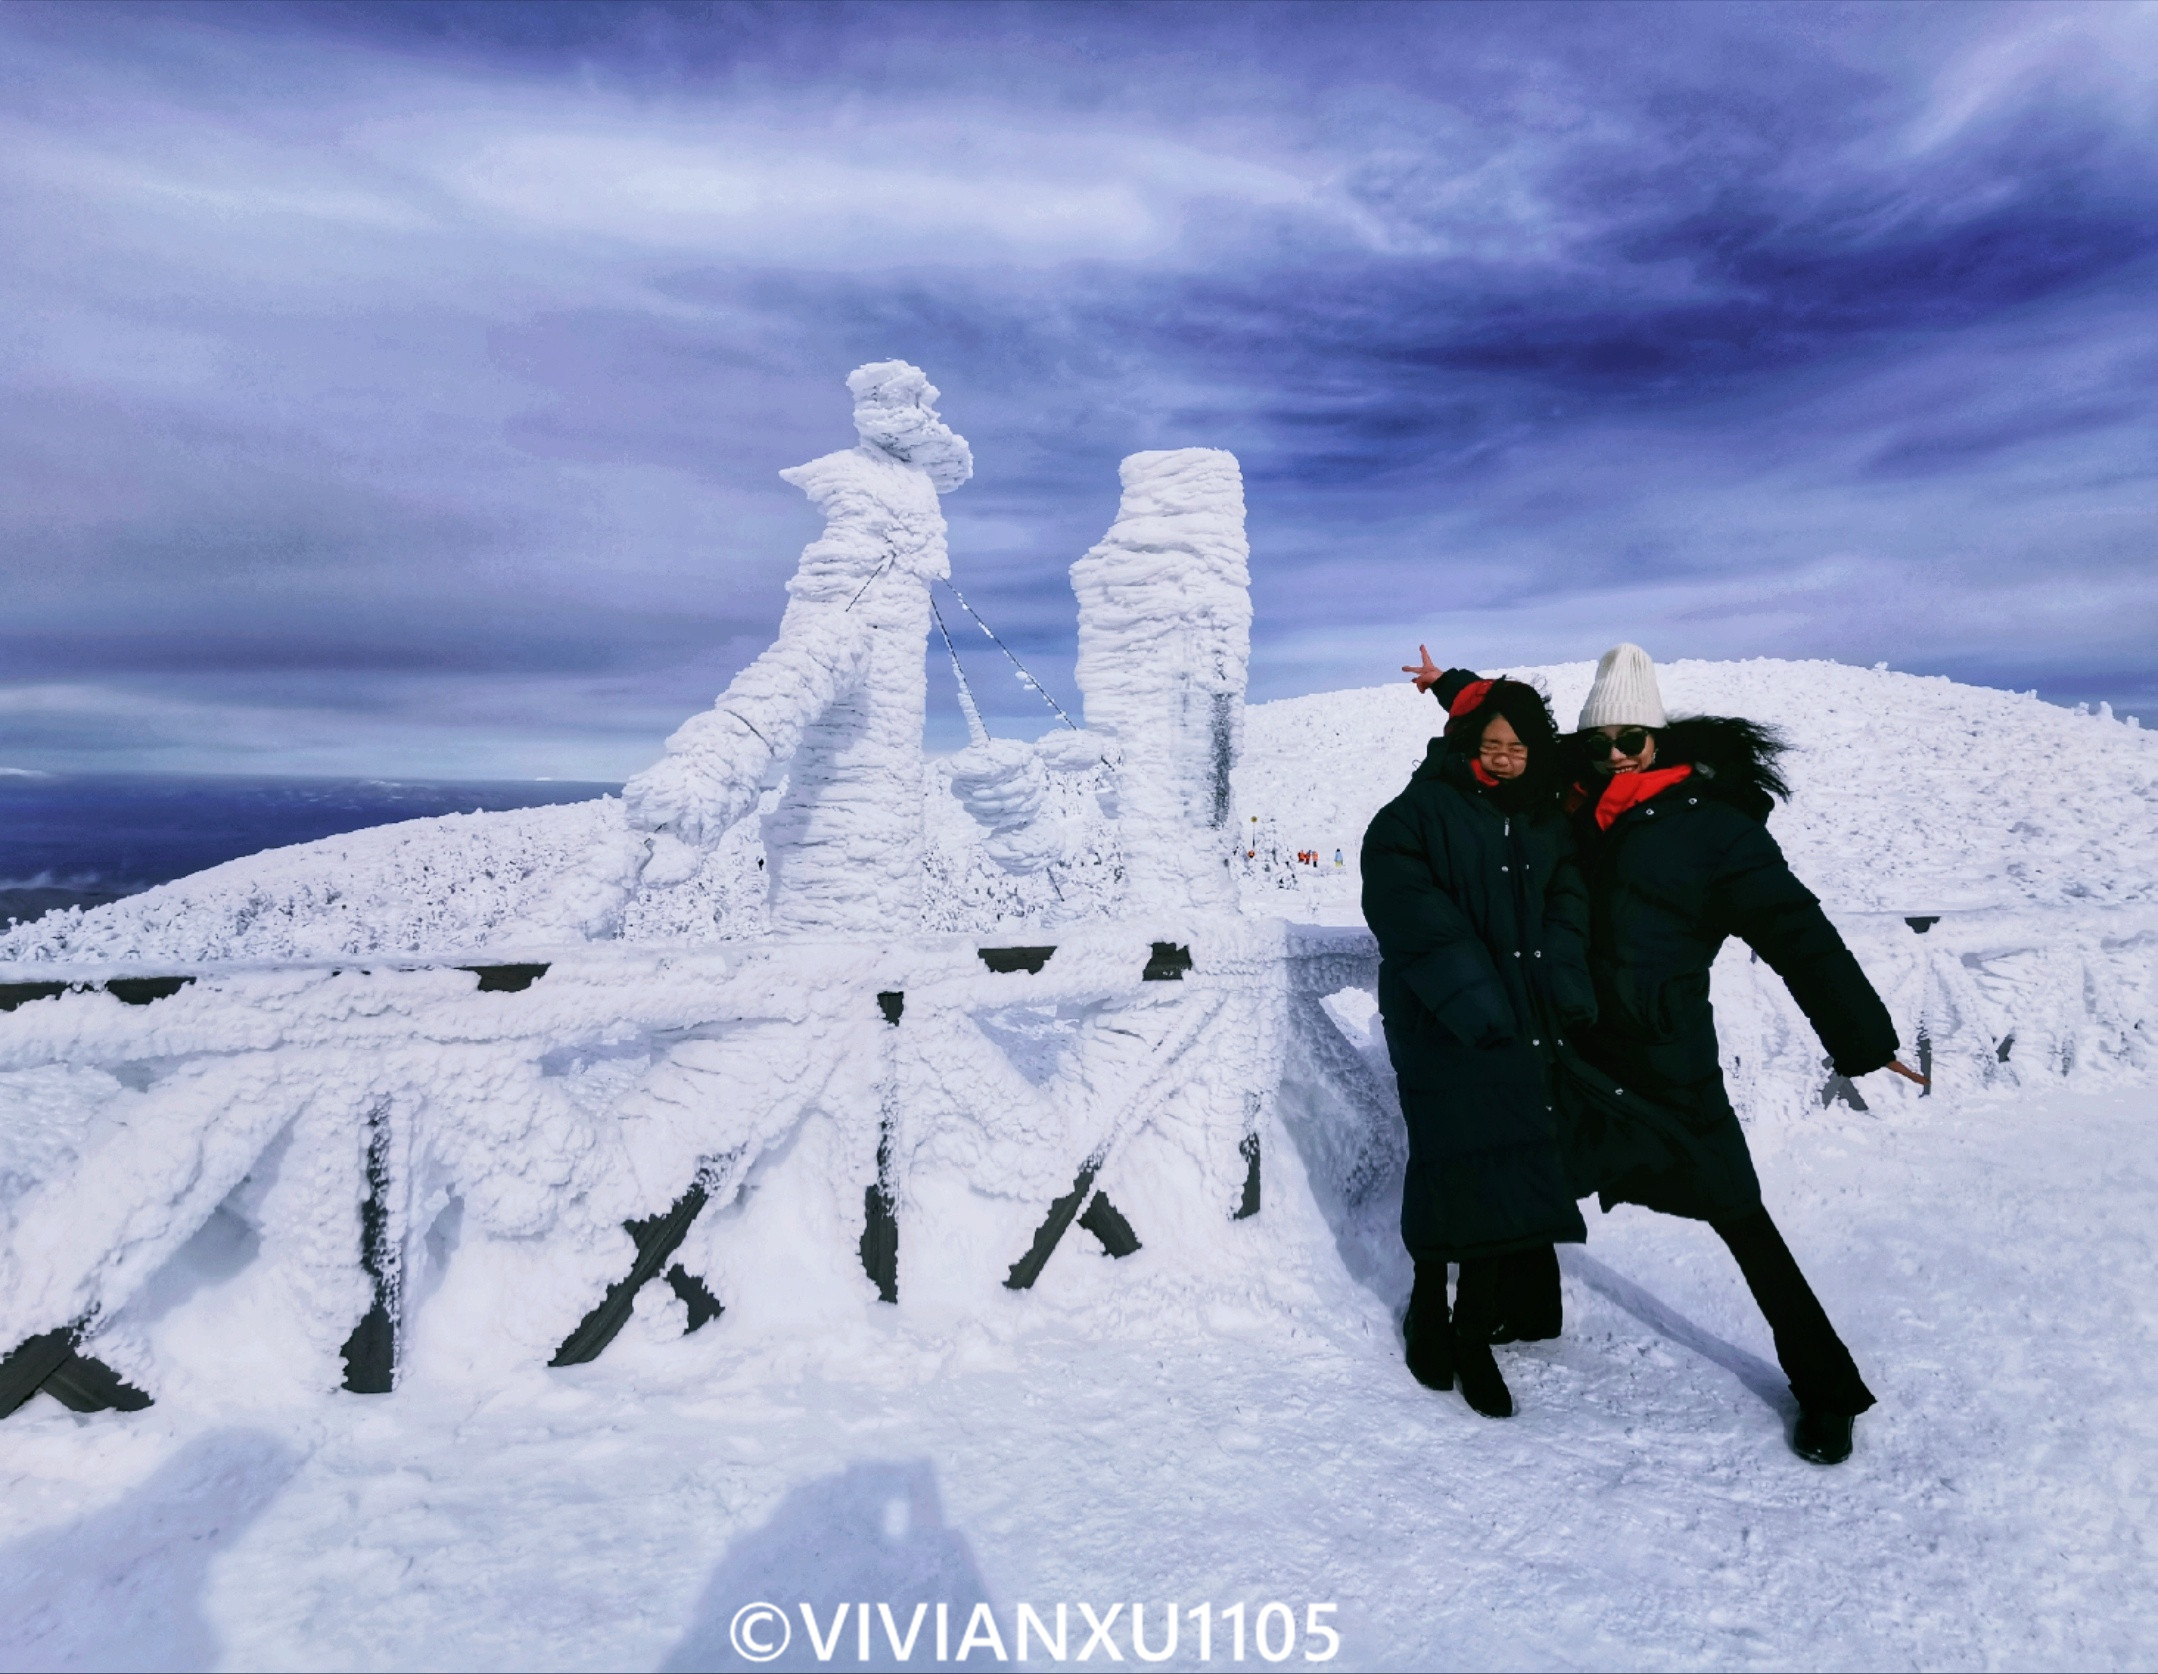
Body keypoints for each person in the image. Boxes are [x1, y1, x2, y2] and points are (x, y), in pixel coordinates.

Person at [1561, 642, 1924, 1465]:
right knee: (1521, 1174)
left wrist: (1863, 1039)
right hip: (1581, 1054)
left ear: (1657, 738)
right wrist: (1451, 692)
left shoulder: (1714, 831)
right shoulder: (1574, 812)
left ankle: (1829, 1389)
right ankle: (1514, 1314)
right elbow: (1501, 743)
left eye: (1630, 739)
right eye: (1598, 742)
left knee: (1737, 1212)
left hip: (1666, 1059)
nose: (1615, 755)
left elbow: (1799, 934)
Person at [1362, 655, 1599, 1418]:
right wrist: (1478, 1000)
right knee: (1446, 1163)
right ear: (1467, 742)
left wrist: (1563, 987)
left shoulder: (1540, 817)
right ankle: (1428, 1307)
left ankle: (1473, 1333)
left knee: (1502, 1171)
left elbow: (1566, 903)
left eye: (1517, 747)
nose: (1503, 758)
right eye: (1491, 744)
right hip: (1441, 1022)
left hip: (1519, 1024)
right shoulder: (1418, 812)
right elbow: (1409, 911)